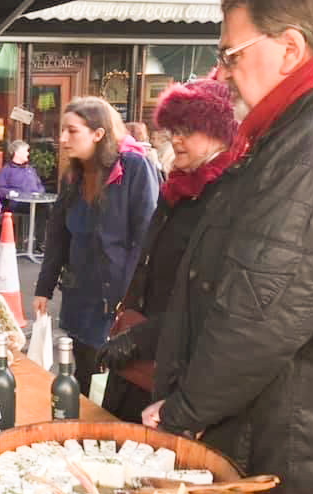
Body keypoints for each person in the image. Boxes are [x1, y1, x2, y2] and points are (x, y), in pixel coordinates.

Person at [143, 0, 313, 494]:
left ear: (289, 48)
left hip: (293, 457)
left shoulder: (309, 146)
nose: (221, 72)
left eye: (231, 53)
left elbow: (263, 313)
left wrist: (183, 411)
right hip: (279, 435)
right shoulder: (287, 132)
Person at [97, 80, 237, 422]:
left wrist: (139, 338)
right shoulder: (176, 187)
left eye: (188, 129)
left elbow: (204, 297)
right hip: (138, 350)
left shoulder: (226, 198)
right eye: (173, 129)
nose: (176, 139)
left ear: (218, 132)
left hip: (175, 363)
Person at [34, 96, 158, 396]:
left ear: (98, 133)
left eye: (72, 130)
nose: (62, 138)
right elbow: (58, 237)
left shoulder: (134, 168)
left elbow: (147, 240)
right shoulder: (73, 176)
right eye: (61, 130)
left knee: (112, 383)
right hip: (80, 296)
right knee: (82, 373)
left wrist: (127, 300)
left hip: (115, 303)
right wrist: (43, 288)